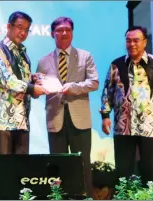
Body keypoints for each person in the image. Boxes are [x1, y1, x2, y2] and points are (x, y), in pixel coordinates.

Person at [100, 26, 153, 184]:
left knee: (151, 172)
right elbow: (108, 91)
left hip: (151, 128)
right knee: (123, 173)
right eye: (128, 40)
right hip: (124, 126)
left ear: (145, 42)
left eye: (136, 40)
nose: (131, 44)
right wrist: (105, 116)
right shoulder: (117, 65)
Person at [35, 16, 99, 197]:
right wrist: (37, 85)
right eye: (60, 30)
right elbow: (38, 90)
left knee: (83, 163)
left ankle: (84, 197)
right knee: (56, 165)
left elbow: (94, 83)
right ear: (52, 34)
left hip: (80, 119)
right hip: (55, 118)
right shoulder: (43, 61)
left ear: (72, 33)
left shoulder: (85, 56)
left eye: (68, 30)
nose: (64, 33)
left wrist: (74, 88)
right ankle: (58, 197)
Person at [0, 11, 48, 155]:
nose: (23, 32)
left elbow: (20, 80)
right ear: (9, 26)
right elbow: (6, 79)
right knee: (2, 170)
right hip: (2, 121)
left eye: (27, 29)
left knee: (20, 171)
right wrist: (32, 88)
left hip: (22, 120)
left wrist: (33, 79)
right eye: (20, 27)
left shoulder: (23, 53)